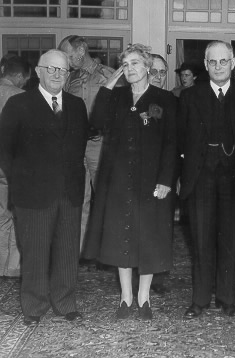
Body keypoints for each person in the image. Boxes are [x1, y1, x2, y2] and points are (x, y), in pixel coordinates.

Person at [83, 44, 177, 320]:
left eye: (135, 63)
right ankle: (125, 298)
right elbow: (97, 122)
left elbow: (171, 143)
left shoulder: (164, 98)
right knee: (121, 235)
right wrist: (111, 81)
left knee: (147, 237)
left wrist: (165, 180)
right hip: (118, 178)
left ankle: (144, 298)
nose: (130, 68)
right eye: (125, 64)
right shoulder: (117, 96)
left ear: (148, 66)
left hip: (151, 180)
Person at [0, 49, 89, 325]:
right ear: (38, 71)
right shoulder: (19, 104)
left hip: (69, 192)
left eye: (62, 70)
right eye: (51, 69)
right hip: (32, 193)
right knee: (35, 252)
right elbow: (4, 149)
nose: (57, 75)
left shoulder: (76, 105)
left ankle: (65, 302)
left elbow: (80, 145)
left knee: (66, 251)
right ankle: (34, 307)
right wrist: (21, 179)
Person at [178, 40, 235, 319]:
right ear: (205, 65)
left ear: (233, 63)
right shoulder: (190, 96)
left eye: (223, 61)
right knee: (201, 240)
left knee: (231, 240)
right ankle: (199, 300)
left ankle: (227, 299)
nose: (218, 67)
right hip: (200, 179)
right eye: (212, 62)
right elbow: (180, 139)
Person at [58, 35, 117, 253]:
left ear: (81, 50)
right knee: (78, 199)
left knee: (105, 198)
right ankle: (81, 251)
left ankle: (108, 250)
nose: (66, 59)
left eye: (68, 54)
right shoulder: (67, 79)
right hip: (75, 148)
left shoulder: (109, 75)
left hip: (100, 146)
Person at [147, 53, 177, 295]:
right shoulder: (131, 98)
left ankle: (157, 276)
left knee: (160, 226)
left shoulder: (172, 100)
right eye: (153, 71)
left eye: (162, 73)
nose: (158, 77)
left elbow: (174, 143)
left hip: (162, 174)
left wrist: (168, 178)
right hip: (136, 175)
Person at [0, 55, 31, 278]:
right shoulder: (21, 97)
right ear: (19, 76)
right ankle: (12, 268)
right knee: (15, 214)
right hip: (11, 164)